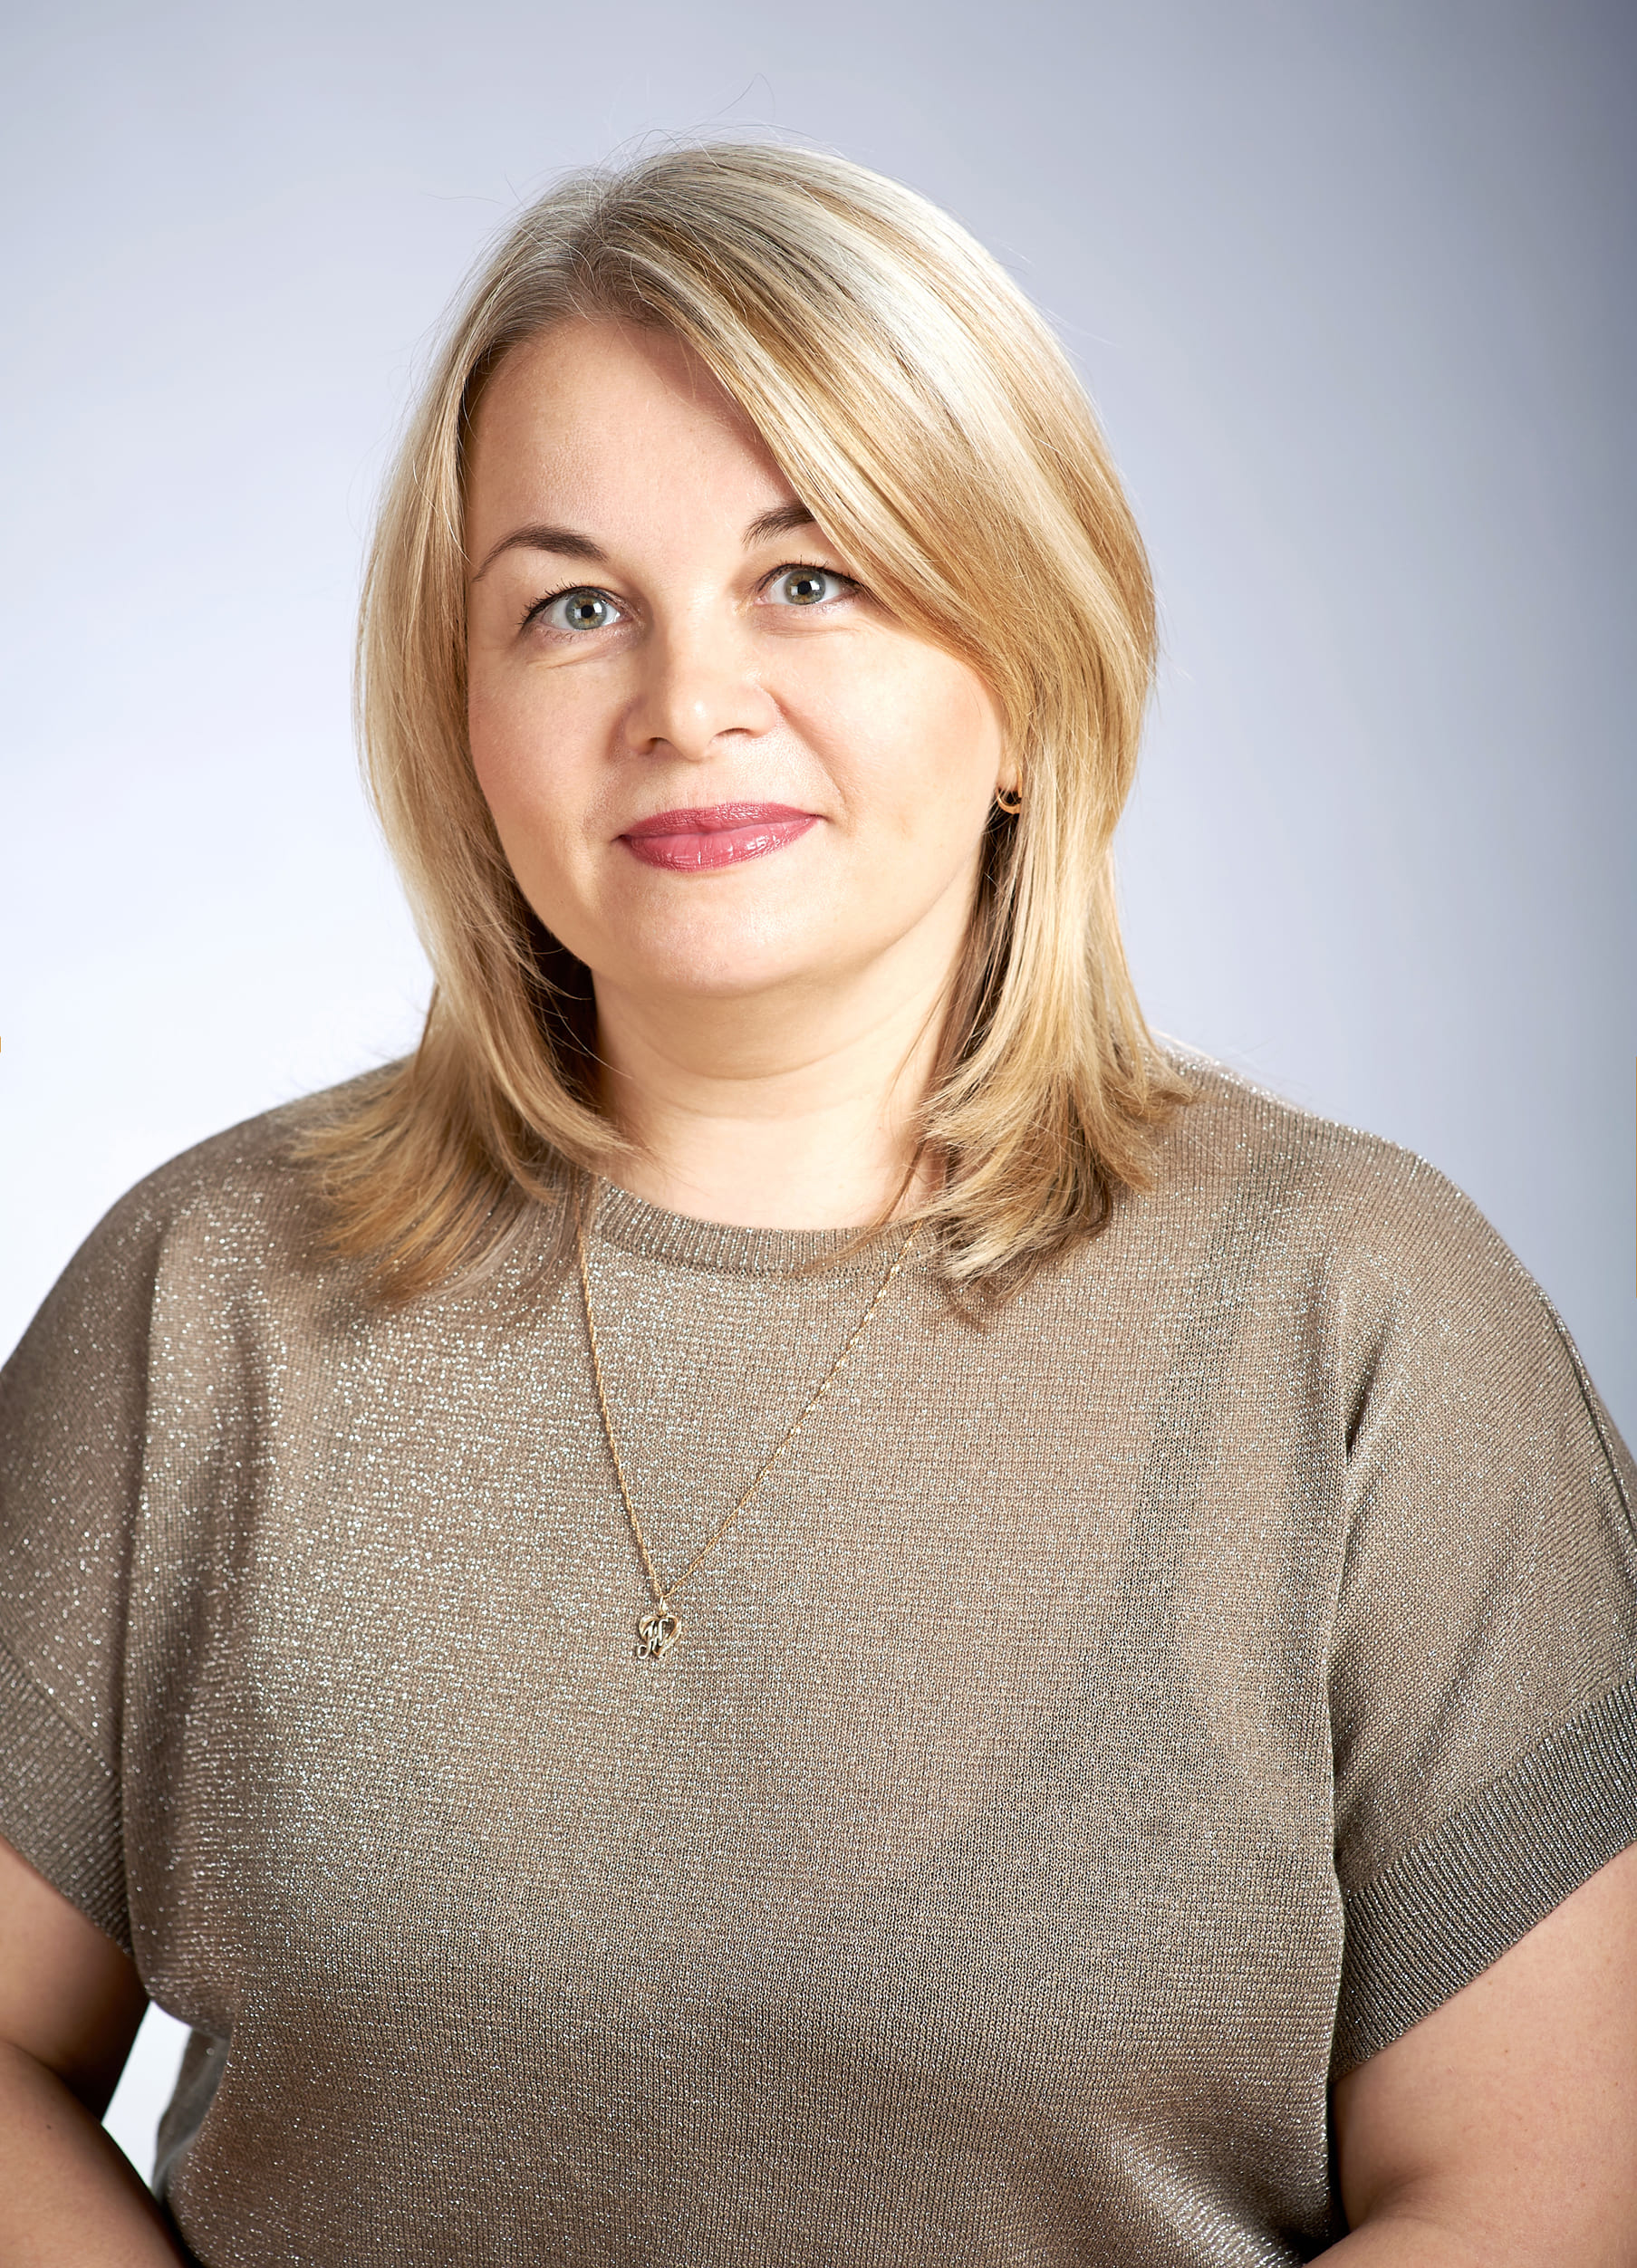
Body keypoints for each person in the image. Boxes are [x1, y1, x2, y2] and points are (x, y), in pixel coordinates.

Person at [0, 139, 1632, 2268]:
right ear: (462, 718)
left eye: (812, 576)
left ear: (1029, 666)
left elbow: (1548, 2189)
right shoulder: (208, 1298)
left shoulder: (1363, 1324)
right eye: (573, 606)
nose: (689, 703)